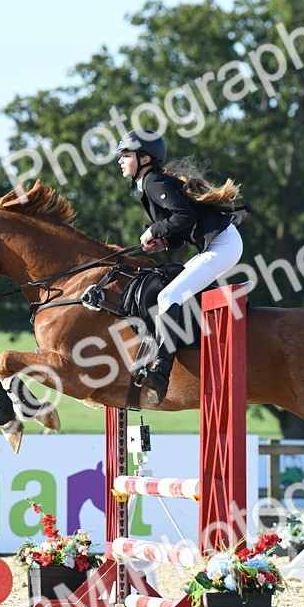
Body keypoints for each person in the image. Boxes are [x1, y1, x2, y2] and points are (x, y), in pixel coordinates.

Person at [117, 129, 245, 406]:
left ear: (144, 158)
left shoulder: (153, 181)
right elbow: (183, 223)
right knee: (174, 292)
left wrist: (154, 229)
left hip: (223, 246)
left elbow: (184, 215)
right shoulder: (151, 182)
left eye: (125, 155)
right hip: (219, 244)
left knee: (168, 296)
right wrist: (162, 242)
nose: (120, 161)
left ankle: (162, 371)